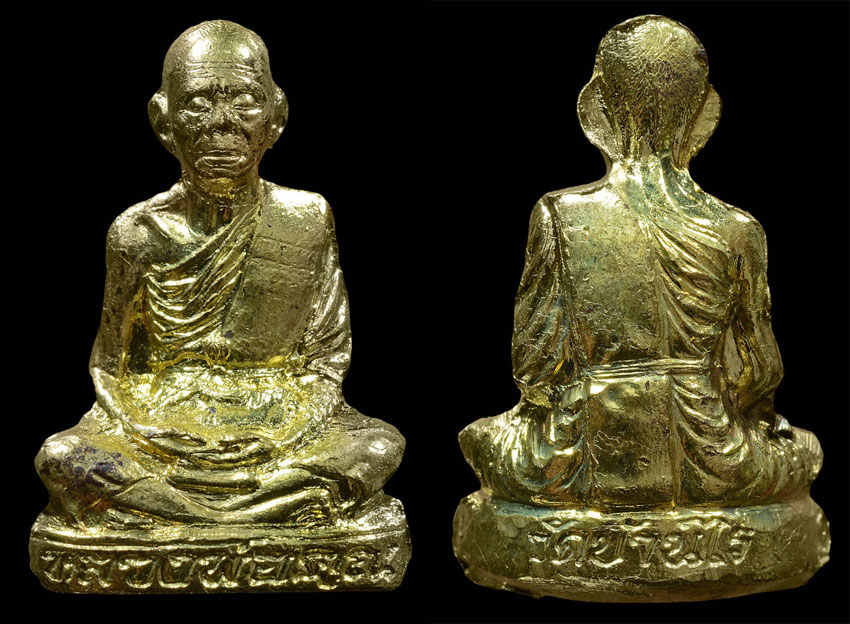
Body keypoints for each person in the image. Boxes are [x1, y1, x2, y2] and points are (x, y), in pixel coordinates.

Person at [35, 20, 403, 528]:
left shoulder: (306, 217)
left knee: (379, 445)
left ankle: (194, 514)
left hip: (280, 418)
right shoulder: (136, 233)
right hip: (162, 427)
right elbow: (112, 369)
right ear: (164, 121)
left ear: (276, 117)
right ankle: (257, 511)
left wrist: (285, 429)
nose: (222, 123)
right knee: (63, 457)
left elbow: (325, 359)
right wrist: (149, 431)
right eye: (198, 103)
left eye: (245, 102)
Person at [460, 15, 822, 510]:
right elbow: (760, 371)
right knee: (807, 451)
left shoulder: (559, 215)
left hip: (583, 455)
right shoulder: (739, 228)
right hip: (716, 459)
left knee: (479, 438)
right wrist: (752, 421)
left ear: (599, 105)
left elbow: (535, 365)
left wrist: (536, 413)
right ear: (702, 110)